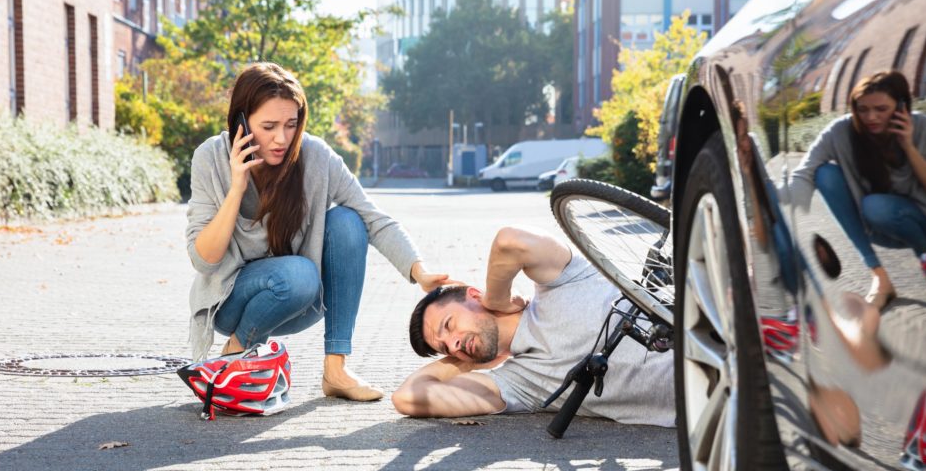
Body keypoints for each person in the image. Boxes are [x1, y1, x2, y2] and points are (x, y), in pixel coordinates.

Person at [186, 62, 447, 401]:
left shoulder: (315, 156)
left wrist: (420, 272)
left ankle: (336, 370)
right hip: (231, 298)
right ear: (241, 122)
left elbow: (373, 217)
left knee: (348, 222)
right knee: (300, 273)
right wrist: (237, 187)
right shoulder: (211, 158)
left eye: (291, 125)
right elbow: (204, 260)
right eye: (268, 126)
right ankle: (237, 350)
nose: (282, 138)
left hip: (299, 299)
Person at [392, 226, 674, 425]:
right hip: (708, 395)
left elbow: (511, 241)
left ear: (474, 295)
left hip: (703, 320)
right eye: (445, 347)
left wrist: (497, 298)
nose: (453, 343)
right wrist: (463, 362)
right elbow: (407, 398)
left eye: (450, 325)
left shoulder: (560, 282)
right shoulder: (518, 384)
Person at [789, 70, 926, 309]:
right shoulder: (841, 131)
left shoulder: (923, 126)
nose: (870, 117)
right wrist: (783, 212)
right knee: (825, 174)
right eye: (863, 109)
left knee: (876, 205)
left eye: (881, 109)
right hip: (875, 227)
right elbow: (804, 171)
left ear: (901, 106)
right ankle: (880, 278)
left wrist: (909, 146)